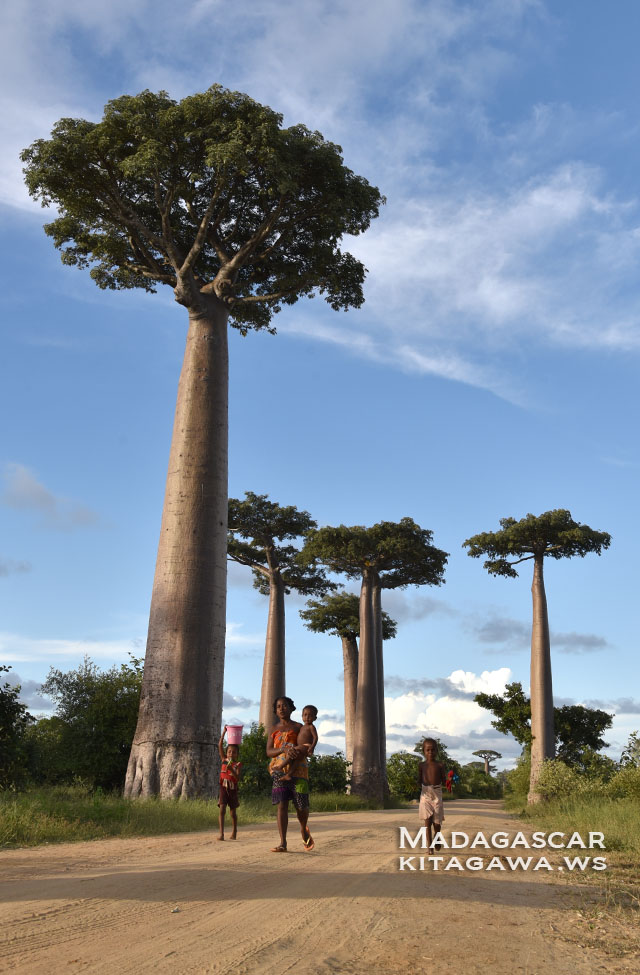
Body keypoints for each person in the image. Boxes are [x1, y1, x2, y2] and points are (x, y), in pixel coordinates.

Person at [266, 696, 314, 852]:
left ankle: (302, 827)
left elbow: (306, 746)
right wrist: (283, 749)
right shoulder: (273, 729)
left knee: (301, 805)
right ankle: (283, 842)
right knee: (282, 804)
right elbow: (269, 751)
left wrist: (298, 750)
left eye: (284, 705)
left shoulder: (300, 727)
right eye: (278, 706)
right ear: (275, 710)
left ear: (291, 708)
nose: (281, 708)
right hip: (278, 769)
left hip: (299, 770)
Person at [270, 704, 318, 780]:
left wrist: (312, 747)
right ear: (302, 716)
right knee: (296, 761)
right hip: (302, 747)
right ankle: (289, 774)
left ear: (315, 718)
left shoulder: (311, 727)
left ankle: (280, 766)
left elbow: (315, 737)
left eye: (310, 715)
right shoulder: (302, 726)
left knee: (292, 752)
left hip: (306, 746)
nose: (307, 717)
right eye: (305, 715)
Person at [418, 737, 446, 849]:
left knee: (437, 822)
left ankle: (437, 837)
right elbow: (419, 780)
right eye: (428, 750)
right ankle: (429, 846)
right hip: (425, 794)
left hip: (437, 793)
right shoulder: (421, 765)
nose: (430, 752)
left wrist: (449, 781)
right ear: (423, 751)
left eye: (433, 750)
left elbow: (444, 780)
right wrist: (413, 784)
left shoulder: (440, 765)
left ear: (437, 751)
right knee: (427, 822)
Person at [217, 725, 242, 841]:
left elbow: (237, 778)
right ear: (226, 753)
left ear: (237, 755)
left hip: (232, 789)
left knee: (232, 813)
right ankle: (221, 834)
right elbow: (219, 746)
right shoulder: (224, 760)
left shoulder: (237, 765)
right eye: (229, 752)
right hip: (223, 787)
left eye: (234, 752)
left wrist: (231, 770)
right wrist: (223, 733)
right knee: (222, 809)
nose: (231, 754)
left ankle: (234, 830)